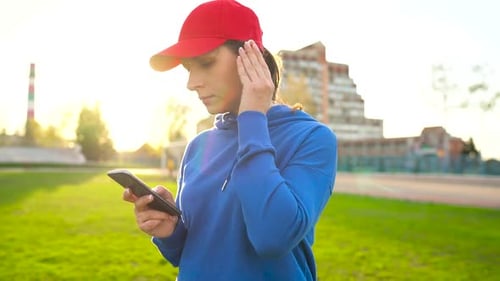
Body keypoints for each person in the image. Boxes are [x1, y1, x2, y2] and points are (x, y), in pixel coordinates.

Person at [123, 0, 337, 280]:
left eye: (206, 63)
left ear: (251, 58)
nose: (191, 82)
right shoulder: (199, 147)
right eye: (188, 68)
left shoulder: (312, 138)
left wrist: (252, 118)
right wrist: (170, 230)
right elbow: (192, 252)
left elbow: (272, 237)